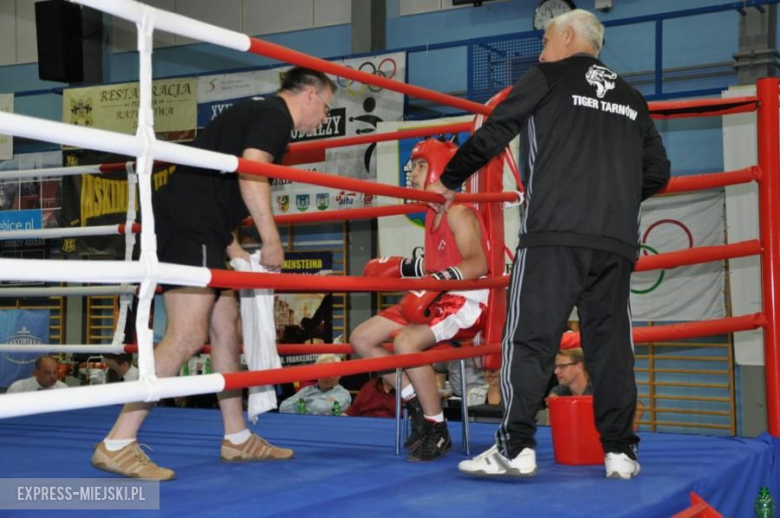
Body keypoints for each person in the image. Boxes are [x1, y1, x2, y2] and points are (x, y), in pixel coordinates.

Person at [428, 10, 670, 480]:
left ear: (566, 36)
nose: (541, 50)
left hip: (553, 237)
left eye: (544, 39)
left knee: (530, 341)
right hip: (615, 242)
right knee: (611, 346)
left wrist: (450, 179)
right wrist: (612, 197)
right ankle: (620, 453)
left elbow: (495, 130)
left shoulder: (548, 76)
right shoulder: (631, 96)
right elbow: (658, 172)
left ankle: (515, 448)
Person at [91, 67, 337, 481]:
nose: (324, 118)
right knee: (187, 334)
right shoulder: (276, 117)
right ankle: (117, 443)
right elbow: (251, 170)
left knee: (228, 329)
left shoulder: (256, 110)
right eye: (327, 107)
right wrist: (270, 238)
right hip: (192, 228)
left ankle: (237, 437)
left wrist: (231, 243)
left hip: (204, 228)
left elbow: (213, 178)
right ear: (310, 94)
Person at [351, 138, 490, 462]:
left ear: (441, 168)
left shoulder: (459, 212)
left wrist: (436, 281)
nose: (411, 172)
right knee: (362, 338)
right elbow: (436, 265)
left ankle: (437, 427)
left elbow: (477, 263)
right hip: (436, 295)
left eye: (420, 165)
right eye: (412, 165)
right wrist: (405, 267)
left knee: (406, 343)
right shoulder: (431, 215)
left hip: (464, 300)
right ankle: (415, 399)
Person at [548, 346, 645, 431]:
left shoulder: (601, 390)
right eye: (555, 367)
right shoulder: (559, 391)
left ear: (579, 366)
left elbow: (638, 406)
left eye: (562, 366)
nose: (556, 371)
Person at [278, 354, 351, 415]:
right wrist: (321, 402)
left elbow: (325, 410)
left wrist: (302, 402)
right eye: (322, 371)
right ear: (316, 373)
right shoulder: (306, 390)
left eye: (331, 372)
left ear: (339, 374)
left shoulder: (343, 394)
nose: (326, 376)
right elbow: (283, 407)